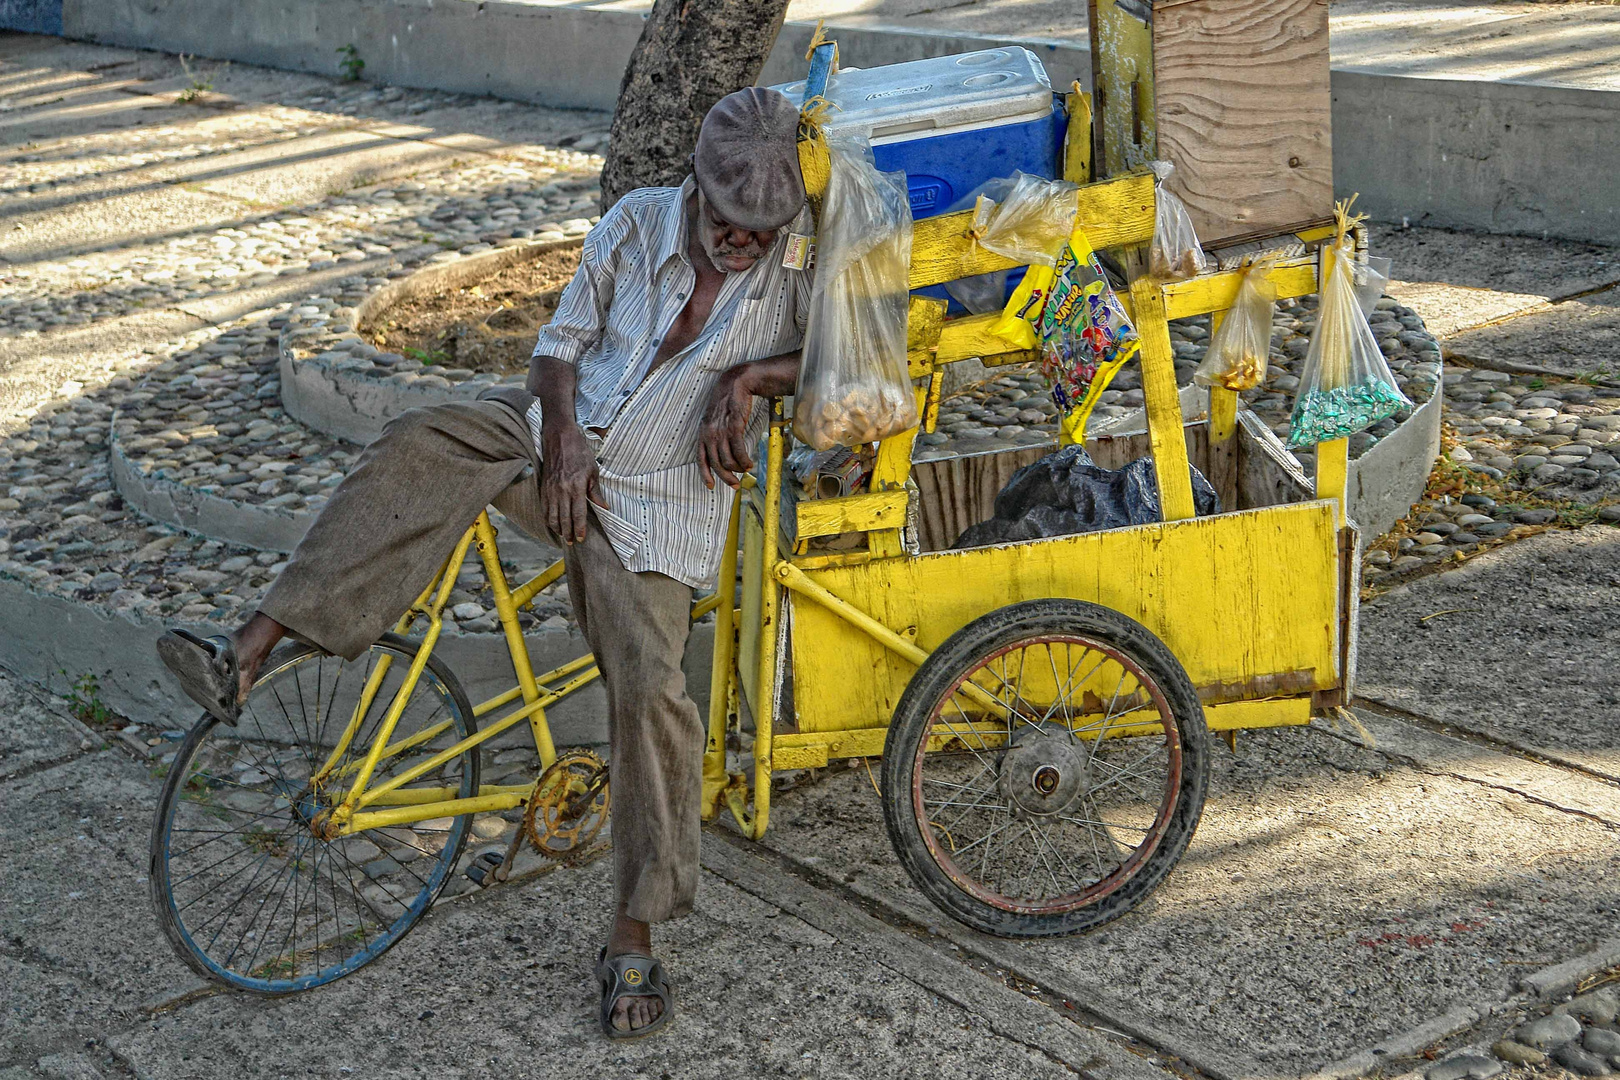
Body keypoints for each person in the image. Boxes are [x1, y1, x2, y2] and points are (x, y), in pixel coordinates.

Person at [155, 86, 812, 1040]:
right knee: (420, 438)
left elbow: (846, 355)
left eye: (763, 226)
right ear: (696, 188)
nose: (742, 242)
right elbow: (556, 350)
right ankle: (250, 647)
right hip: (551, 439)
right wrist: (565, 437)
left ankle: (634, 934)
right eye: (728, 221)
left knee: (655, 695)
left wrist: (748, 376)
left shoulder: (797, 263)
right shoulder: (634, 224)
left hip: (655, 507)